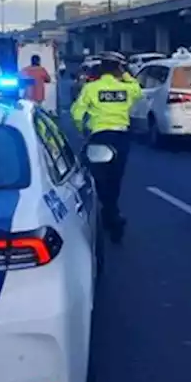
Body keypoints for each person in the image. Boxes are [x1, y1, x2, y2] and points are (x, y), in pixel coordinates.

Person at [70, 51, 141, 241]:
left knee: (96, 177)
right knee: (116, 177)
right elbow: (138, 89)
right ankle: (112, 212)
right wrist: (125, 72)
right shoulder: (127, 88)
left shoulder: (91, 88)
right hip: (121, 138)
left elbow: (77, 112)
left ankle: (107, 211)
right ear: (119, 68)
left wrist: (82, 130)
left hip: (99, 136)